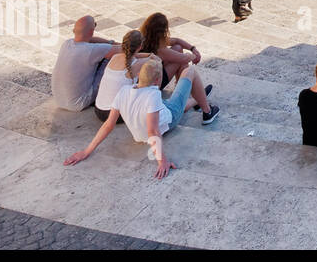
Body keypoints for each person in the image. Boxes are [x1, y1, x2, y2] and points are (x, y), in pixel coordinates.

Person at [64, 60, 219, 180]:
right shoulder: (153, 95)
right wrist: (161, 161)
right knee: (190, 70)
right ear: (158, 81)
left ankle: (198, 99)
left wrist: (87, 151)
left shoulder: (124, 91)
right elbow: (153, 130)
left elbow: (108, 124)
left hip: (142, 129)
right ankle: (208, 111)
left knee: (170, 103)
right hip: (171, 117)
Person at [52, 16, 120, 111]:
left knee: (104, 53)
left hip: (60, 100)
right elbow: (124, 50)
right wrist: (116, 45)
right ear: (91, 31)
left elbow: (90, 39)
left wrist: (111, 42)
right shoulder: (91, 50)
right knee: (111, 58)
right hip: (80, 102)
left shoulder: (67, 43)